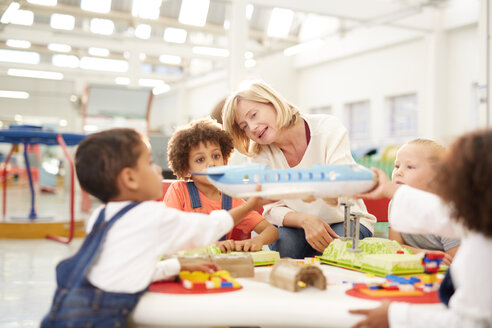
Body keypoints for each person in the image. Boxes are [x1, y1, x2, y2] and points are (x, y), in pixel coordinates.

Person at [41, 128, 269, 327]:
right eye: (149, 162)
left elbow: (126, 270)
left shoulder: (101, 215)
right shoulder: (149, 215)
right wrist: (251, 205)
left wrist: (175, 267)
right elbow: (208, 227)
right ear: (130, 179)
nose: (158, 170)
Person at [350, 129, 492, 328]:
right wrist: (388, 189)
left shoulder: (482, 250)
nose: (448, 180)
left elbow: (470, 323)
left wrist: (396, 316)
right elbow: (441, 213)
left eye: (454, 174)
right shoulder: (476, 219)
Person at [222, 80, 376, 258]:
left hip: (345, 219)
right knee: (284, 244)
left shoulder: (327, 128)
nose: (253, 128)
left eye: (254, 115)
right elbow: (272, 209)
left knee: (335, 247)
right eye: (244, 127)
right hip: (299, 225)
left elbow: (341, 181)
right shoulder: (259, 156)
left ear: (272, 102)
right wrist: (305, 220)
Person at [165, 118, 278, 252]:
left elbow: (271, 230)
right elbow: (169, 235)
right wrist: (209, 246)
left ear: (225, 160)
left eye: (216, 156)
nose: (211, 164)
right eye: (200, 159)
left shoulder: (231, 198)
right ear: (185, 169)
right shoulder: (178, 191)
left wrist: (257, 240)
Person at [389, 139, 460, 265]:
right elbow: (395, 247)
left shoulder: (447, 210)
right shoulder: (396, 203)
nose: (398, 172)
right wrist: (423, 254)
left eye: (410, 167)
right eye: (397, 166)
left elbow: (456, 261)